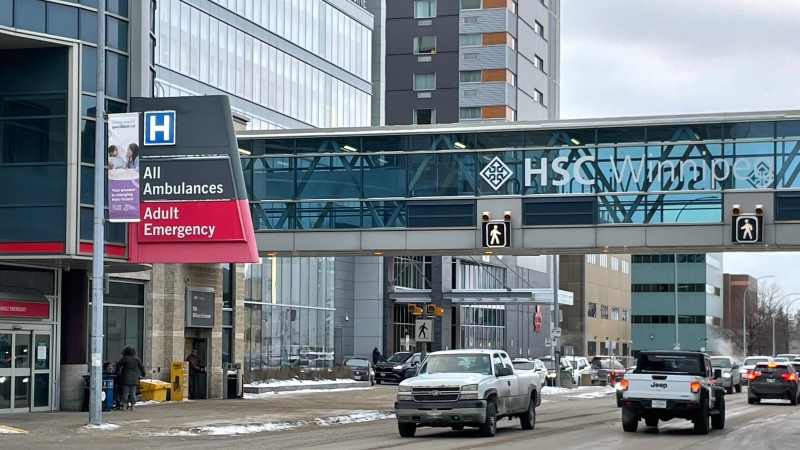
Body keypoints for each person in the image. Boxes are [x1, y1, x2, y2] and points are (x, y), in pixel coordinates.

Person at [116, 346, 145, 411]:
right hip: (134, 377)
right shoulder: (136, 358)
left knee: (125, 392)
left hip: (125, 377)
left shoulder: (125, 358)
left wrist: (116, 372)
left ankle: (124, 405)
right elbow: (142, 367)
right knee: (133, 392)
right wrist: (143, 374)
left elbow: (118, 365)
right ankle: (133, 406)